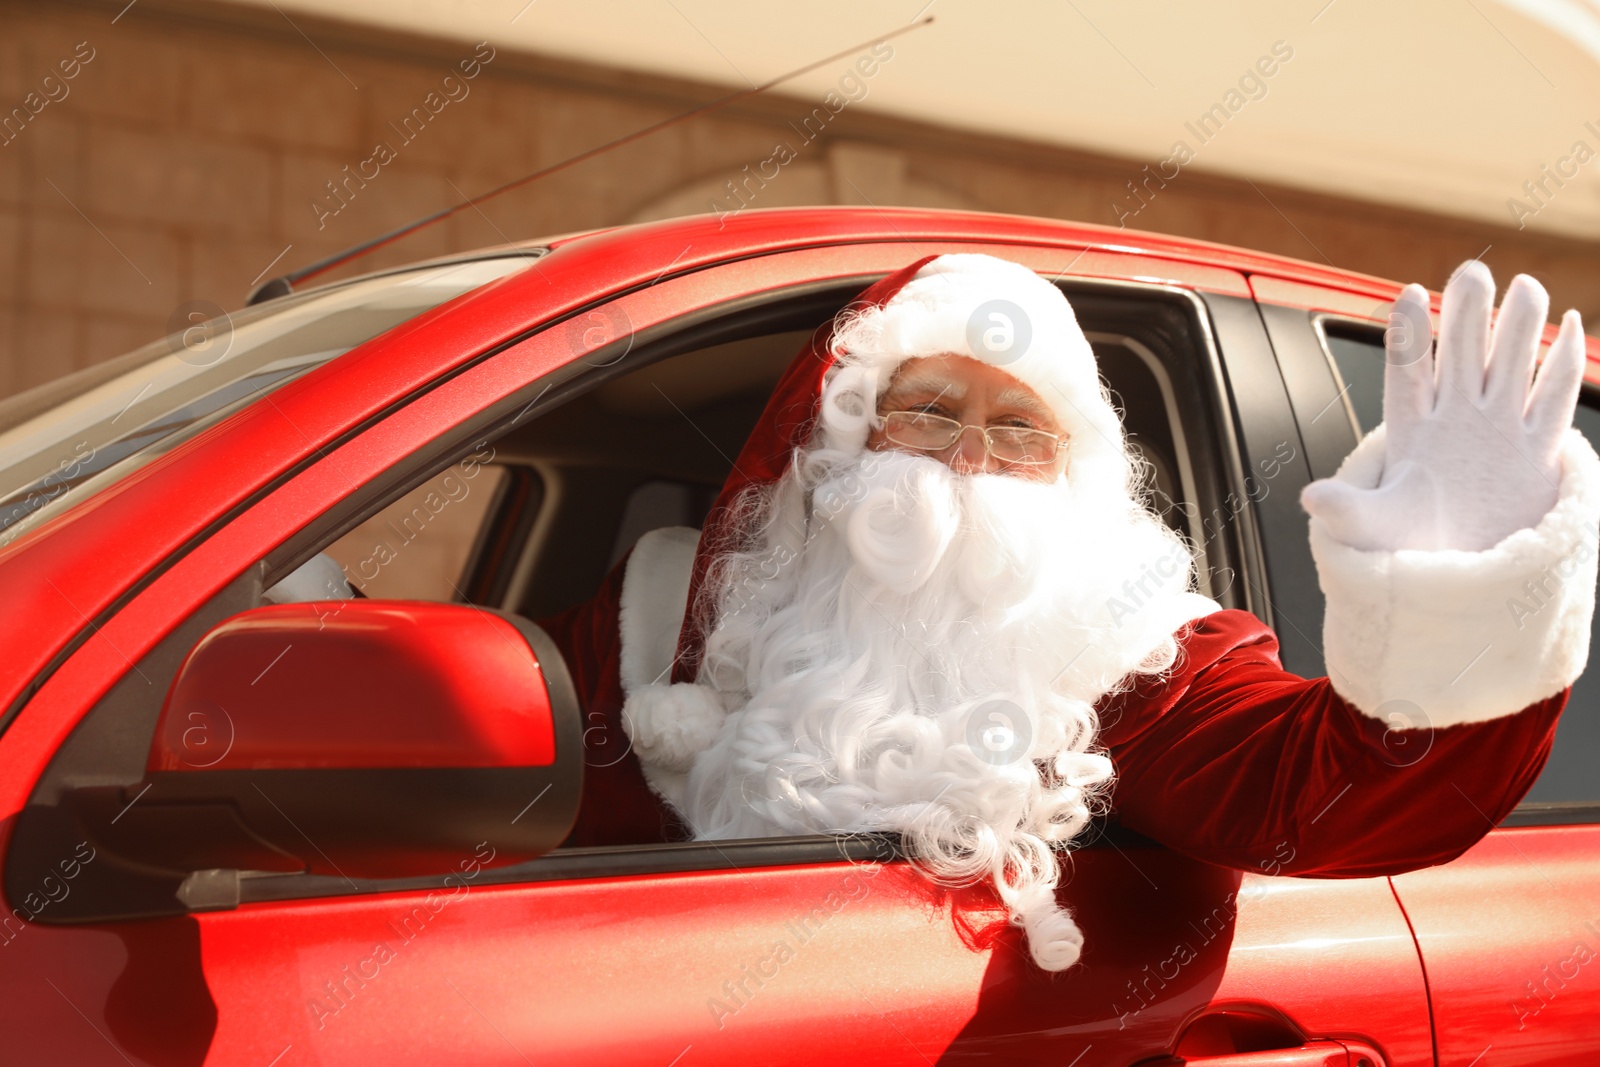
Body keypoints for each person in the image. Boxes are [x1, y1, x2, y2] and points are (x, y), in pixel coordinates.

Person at [538, 252, 1600, 972]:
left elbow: (1325, 786)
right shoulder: (661, 614)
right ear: (842, 446)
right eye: (927, 411)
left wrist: (1459, 571)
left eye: (1017, 427)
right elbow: (491, 817)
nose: (967, 455)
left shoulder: (1130, 648)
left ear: (1069, 474)